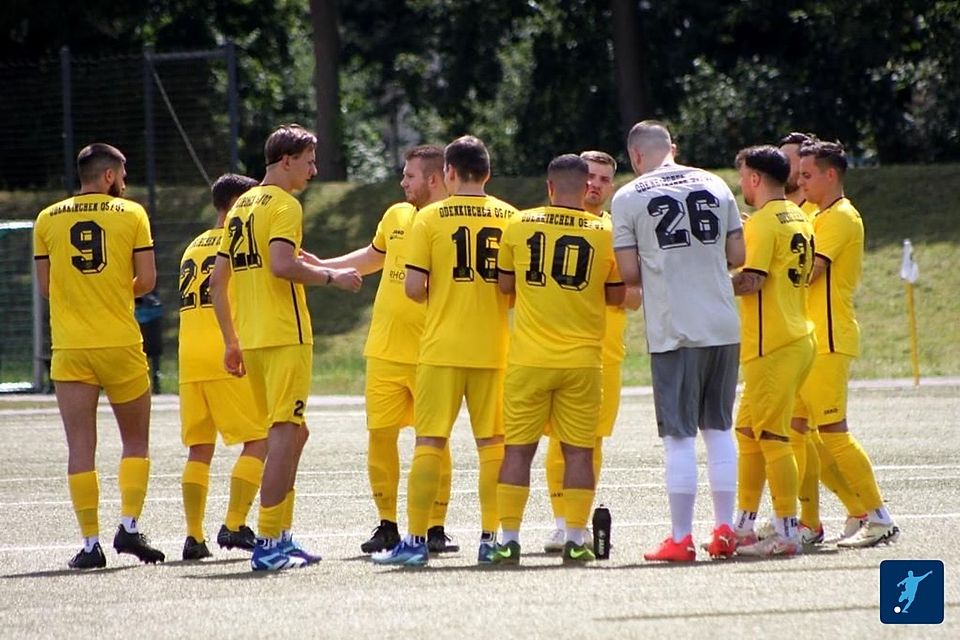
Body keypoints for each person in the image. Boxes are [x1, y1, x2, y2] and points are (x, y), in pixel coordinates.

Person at [210, 124, 362, 571]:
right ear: (286, 161)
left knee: (295, 433)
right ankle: (269, 542)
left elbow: (220, 283)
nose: (314, 170)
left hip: (255, 338)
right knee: (282, 435)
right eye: (309, 160)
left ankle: (281, 534)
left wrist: (231, 340)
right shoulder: (283, 204)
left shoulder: (240, 207)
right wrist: (332, 277)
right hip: (284, 336)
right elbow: (281, 266)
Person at [373, 135, 517, 567]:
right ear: (487, 173)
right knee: (493, 447)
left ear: (449, 173)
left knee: (429, 443)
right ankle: (492, 538)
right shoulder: (511, 217)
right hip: (493, 348)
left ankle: (415, 541)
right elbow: (512, 289)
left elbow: (414, 288)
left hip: (439, 348)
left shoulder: (429, 218)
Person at [315, 145, 458, 555]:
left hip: (431, 351)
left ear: (433, 179)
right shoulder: (396, 215)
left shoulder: (448, 220)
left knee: (433, 441)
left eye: (409, 176)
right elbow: (373, 257)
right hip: (384, 349)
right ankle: (388, 524)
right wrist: (325, 267)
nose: (403, 182)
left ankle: (435, 527)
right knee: (380, 437)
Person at [612, 121, 744, 561]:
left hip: (676, 326)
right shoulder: (715, 182)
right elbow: (738, 256)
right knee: (720, 427)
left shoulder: (629, 197)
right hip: (723, 321)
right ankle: (725, 528)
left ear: (635, 156)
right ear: (673, 148)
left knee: (680, 437)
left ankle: (681, 537)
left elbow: (630, 274)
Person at [33, 143, 165, 569]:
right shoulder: (132, 214)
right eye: (122, 174)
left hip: (71, 348)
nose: (125, 182)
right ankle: (128, 526)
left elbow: (46, 287)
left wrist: (83, 296)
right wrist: (110, 291)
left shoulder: (46, 219)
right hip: (120, 343)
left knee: (79, 448)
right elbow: (146, 280)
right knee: (136, 441)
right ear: (108, 176)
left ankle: (90, 545)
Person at [490, 154, 624, 566]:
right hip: (583, 360)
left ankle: (508, 538)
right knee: (580, 452)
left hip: (529, 358)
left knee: (517, 451)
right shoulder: (605, 230)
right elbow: (618, 296)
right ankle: (575, 538)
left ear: (549, 187)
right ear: (587, 189)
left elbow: (504, 285)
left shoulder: (519, 223)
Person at [796, 140, 899, 548]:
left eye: (806, 175)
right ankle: (809, 522)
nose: (799, 182)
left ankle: (879, 516)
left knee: (834, 433)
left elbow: (808, 273)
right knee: (795, 434)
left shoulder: (840, 218)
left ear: (830, 175)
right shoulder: (813, 213)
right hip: (807, 339)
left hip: (829, 338)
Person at [542, 150, 641, 552]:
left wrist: (607, 289)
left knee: (590, 441)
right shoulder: (542, 225)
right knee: (554, 441)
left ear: (611, 186)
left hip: (603, 354)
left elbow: (634, 297)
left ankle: (577, 524)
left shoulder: (619, 234)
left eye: (603, 179)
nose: (594, 185)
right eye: (590, 177)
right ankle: (561, 520)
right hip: (551, 348)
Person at [730, 145, 816, 557]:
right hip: (794, 336)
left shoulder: (765, 222)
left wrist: (707, 281)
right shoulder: (798, 215)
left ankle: (786, 529)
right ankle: (744, 524)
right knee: (747, 431)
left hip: (774, 342)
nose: (740, 182)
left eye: (742, 175)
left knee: (773, 436)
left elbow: (752, 282)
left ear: (754, 179)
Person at [178, 173, 268, 561]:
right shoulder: (238, 243)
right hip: (225, 351)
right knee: (260, 439)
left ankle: (193, 537)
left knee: (199, 450)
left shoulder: (192, 247)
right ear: (237, 204)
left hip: (189, 359)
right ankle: (234, 523)